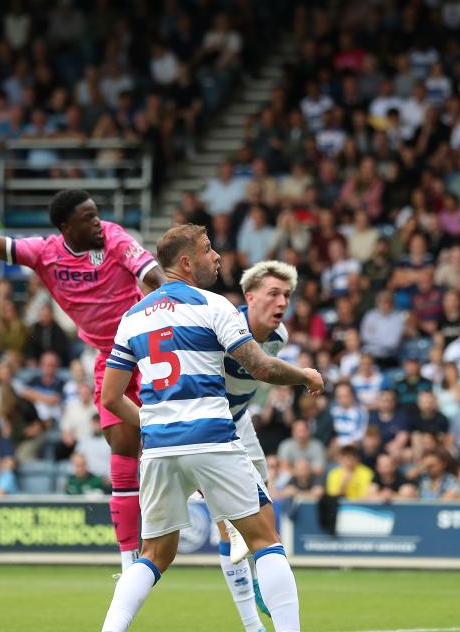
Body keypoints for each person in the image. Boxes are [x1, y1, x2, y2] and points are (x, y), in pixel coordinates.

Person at [98, 223, 322, 632]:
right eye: (207, 249)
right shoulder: (213, 305)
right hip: (212, 438)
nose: (216, 256)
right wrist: (305, 374)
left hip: (161, 449)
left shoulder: (131, 318)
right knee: (265, 540)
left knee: (154, 554)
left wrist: (151, 423)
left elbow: (111, 399)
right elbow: (262, 367)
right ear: (186, 262)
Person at [0, 187, 166, 573]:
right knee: (122, 449)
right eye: (88, 217)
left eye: (97, 214)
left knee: (175, 438)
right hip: (111, 358)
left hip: (149, 347)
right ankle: (128, 560)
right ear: (65, 226)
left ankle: (215, 509)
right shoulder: (44, 253)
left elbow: (152, 275)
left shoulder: (115, 238)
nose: (98, 222)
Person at [218, 259, 297, 626]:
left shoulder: (279, 339)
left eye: (287, 295)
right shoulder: (222, 325)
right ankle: (252, 623)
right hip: (208, 427)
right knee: (227, 523)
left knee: (263, 504)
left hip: (240, 421)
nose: (282, 302)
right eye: (274, 294)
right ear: (249, 297)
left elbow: (259, 378)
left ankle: (265, 569)